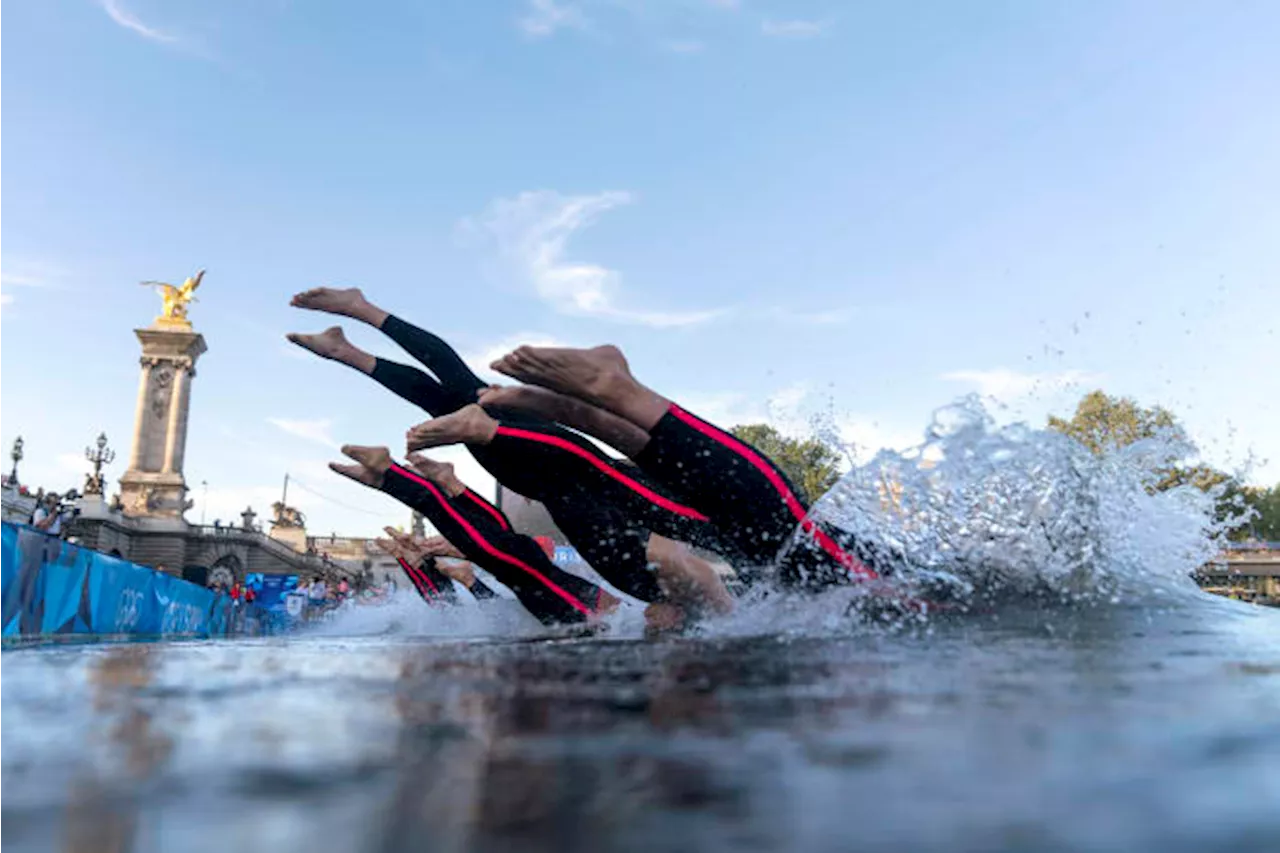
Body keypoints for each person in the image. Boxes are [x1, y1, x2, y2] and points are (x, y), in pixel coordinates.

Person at [288, 287, 734, 615]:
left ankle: (349, 345)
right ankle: (360, 319)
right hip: (586, 485)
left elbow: (671, 573)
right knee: (466, 392)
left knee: (453, 401)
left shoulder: (651, 578)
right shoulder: (696, 558)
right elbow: (682, 563)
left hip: (567, 497)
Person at [480, 343, 899, 592]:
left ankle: (577, 405)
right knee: (788, 538)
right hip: (888, 584)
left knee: (768, 543)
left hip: (760, 574)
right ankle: (622, 395)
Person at [331, 445, 621, 627]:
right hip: (561, 591)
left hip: (554, 592)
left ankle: (404, 479)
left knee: (495, 551)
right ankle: (394, 475)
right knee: (498, 553)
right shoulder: (542, 573)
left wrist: (454, 555)